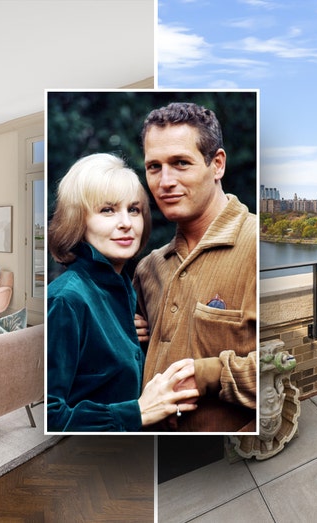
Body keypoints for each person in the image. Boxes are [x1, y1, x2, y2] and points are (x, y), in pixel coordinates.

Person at [46, 153, 199, 432]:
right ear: (77, 221)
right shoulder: (66, 299)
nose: (126, 222)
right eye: (107, 210)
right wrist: (137, 411)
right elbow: (50, 415)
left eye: (134, 209)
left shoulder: (123, 288)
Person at [133, 102, 258, 432]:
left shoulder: (259, 245)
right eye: (154, 167)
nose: (165, 181)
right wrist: (125, 339)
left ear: (217, 164)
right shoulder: (148, 268)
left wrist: (207, 375)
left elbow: (285, 366)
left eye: (180, 163)